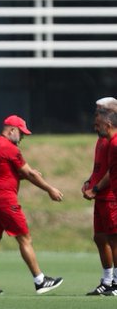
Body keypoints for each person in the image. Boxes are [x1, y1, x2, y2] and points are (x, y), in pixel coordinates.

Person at [0, 115, 64, 295]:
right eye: (21, 133)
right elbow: (30, 174)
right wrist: (50, 189)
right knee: (25, 239)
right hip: (5, 200)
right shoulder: (9, 148)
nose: (22, 138)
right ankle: (40, 281)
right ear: (12, 130)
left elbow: (9, 173)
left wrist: (27, 174)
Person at [84, 97, 117, 295]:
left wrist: (95, 189)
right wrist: (89, 181)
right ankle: (107, 280)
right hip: (101, 195)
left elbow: (112, 172)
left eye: (100, 111)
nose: (96, 116)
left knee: (114, 238)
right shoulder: (102, 139)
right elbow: (100, 168)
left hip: (110, 195)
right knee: (100, 237)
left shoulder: (113, 140)